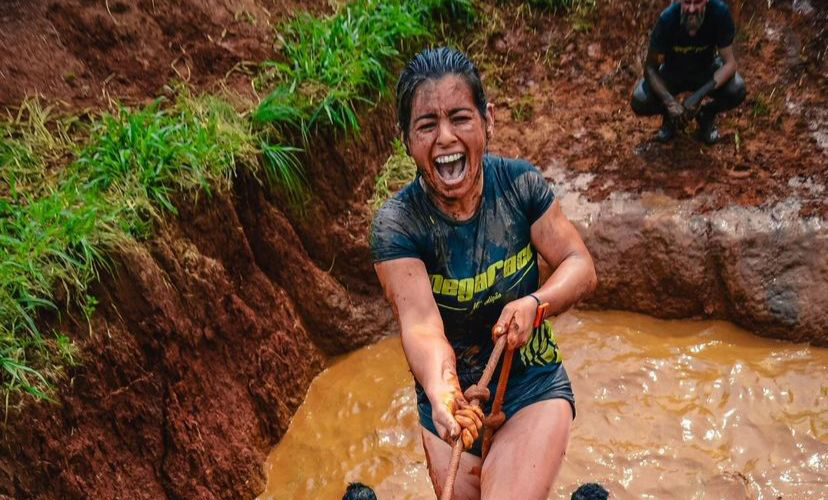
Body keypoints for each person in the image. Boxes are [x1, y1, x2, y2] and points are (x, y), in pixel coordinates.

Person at [370, 47, 597, 500]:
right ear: (407, 140)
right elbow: (420, 324)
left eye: (460, 118)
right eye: (427, 125)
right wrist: (442, 394)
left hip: (532, 380)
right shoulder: (397, 224)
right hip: (452, 404)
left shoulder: (520, 186)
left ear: (487, 120)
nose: (446, 138)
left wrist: (536, 305)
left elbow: (580, 265)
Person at [630, 0, 746, 144]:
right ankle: (670, 118)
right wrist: (670, 103)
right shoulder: (667, 19)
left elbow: (730, 64)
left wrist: (699, 95)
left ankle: (706, 115)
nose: (691, 9)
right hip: (672, 72)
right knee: (640, 99)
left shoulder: (719, 13)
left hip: (706, 70)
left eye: (697, 3)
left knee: (737, 89)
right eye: (687, 2)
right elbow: (650, 68)